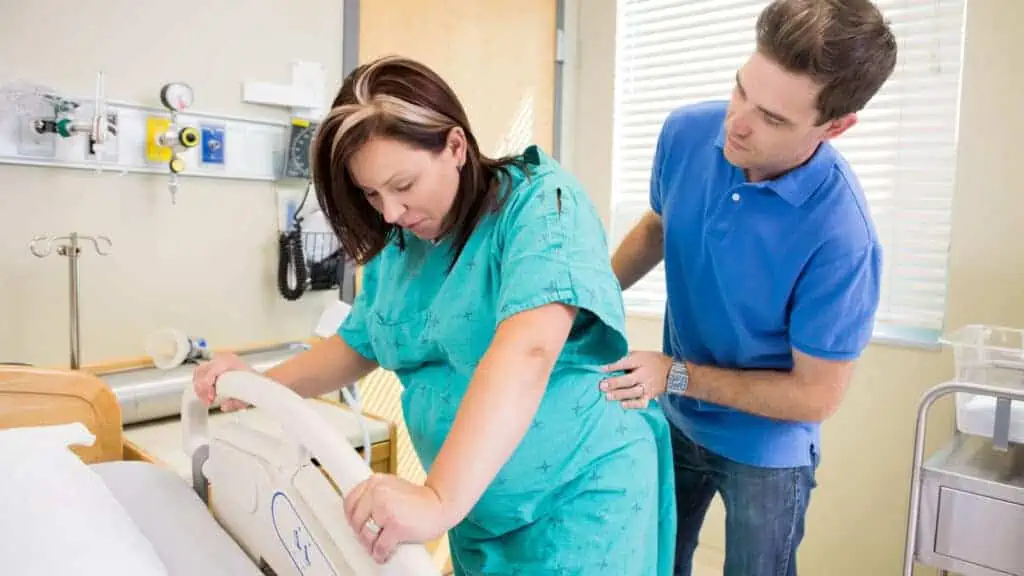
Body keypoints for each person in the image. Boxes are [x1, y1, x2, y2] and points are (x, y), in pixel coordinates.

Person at [193, 55, 677, 574]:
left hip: (580, 498)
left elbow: (529, 349)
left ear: (455, 146)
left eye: (403, 186)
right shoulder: (401, 241)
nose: (389, 212)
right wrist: (261, 386)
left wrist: (438, 499)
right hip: (479, 510)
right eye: (370, 193)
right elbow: (360, 343)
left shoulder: (543, 206)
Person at [600, 1, 897, 574]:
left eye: (773, 118)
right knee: (655, 562)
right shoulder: (687, 133)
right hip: (677, 416)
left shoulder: (842, 237)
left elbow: (816, 396)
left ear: (836, 126)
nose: (737, 123)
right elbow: (660, 226)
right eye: (741, 91)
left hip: (767, 450)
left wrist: (675, 373)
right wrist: (587, 300)